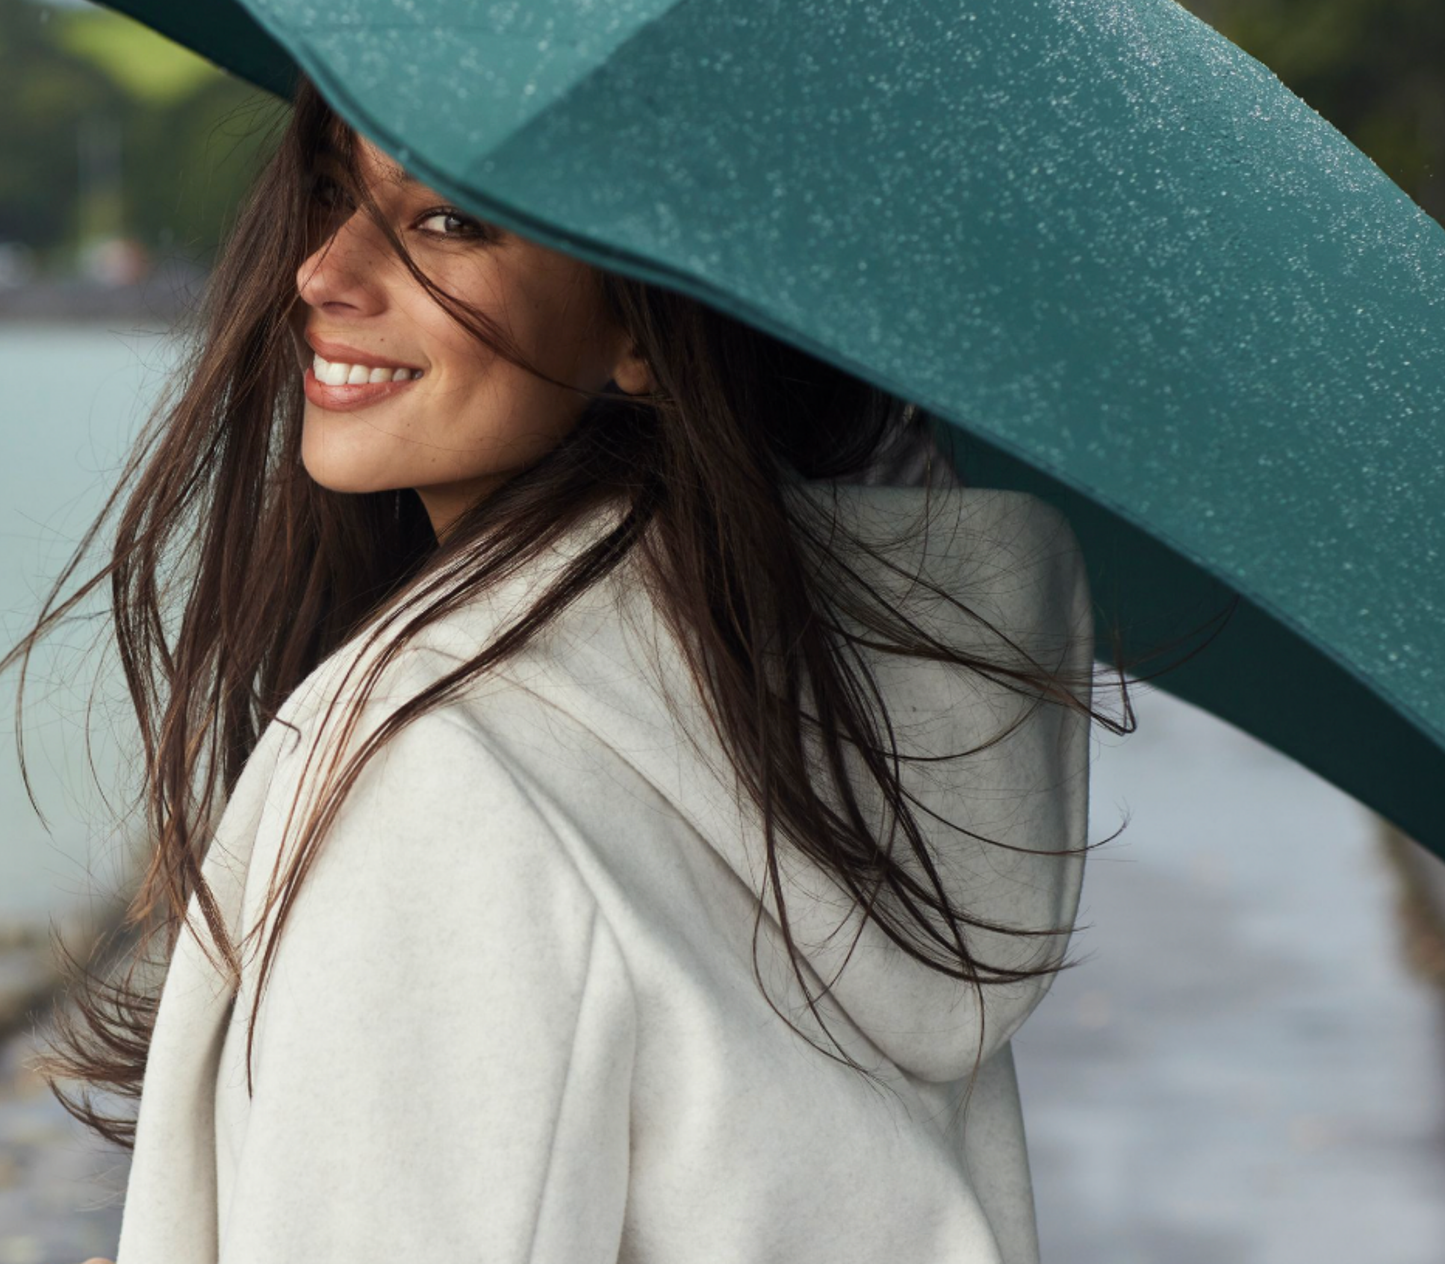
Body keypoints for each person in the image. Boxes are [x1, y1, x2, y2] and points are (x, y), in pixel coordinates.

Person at [10, 72, 1128, 1263]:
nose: (321, 271)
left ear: (641, 319)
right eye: (335, 189)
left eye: (450, 220)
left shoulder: (447, 783)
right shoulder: (831, 745)